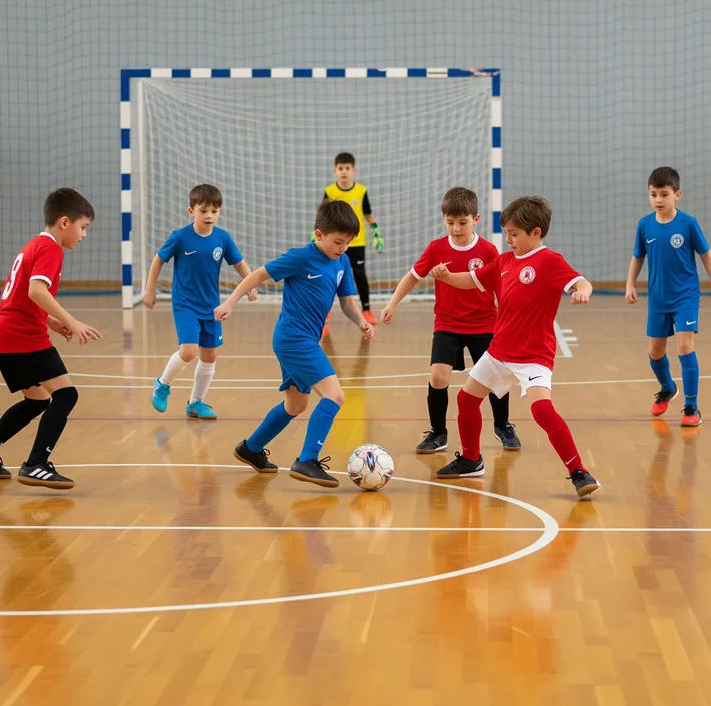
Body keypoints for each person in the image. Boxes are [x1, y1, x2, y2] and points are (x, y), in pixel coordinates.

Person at [429, 195, 600, 498]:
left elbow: (581, 282)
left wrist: (582, 292)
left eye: (514, 234)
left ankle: (578, 471)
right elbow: (472, 279)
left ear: (535, 232)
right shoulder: (504, 262)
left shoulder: (550, 261)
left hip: (533, 355)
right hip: (499, 352)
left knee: (542, 409)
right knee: (466, 400)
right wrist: (446, 277)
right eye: (506, 233)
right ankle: (471, 460)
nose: (507, 239)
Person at [215, 200, 375, 488]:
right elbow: (258, 275)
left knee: (296, 404)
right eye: (338, 242)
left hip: (304, 340)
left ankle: (250, 448)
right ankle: (307, 460)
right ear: (319, 235)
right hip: (293, 339)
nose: (342, 248)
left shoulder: (342, 262)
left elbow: (347, 302)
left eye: (348, 243)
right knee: (335, 395)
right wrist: (230, 301)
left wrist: (361, 321)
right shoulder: (300, 258)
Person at [0, 188, 101, 489]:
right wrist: (71, 321)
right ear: (64, 222)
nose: (84, 235)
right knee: (66, 395)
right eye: (83, 227)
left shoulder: (33, 245)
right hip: (21, 335)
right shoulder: (51, 248)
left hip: (7, 333)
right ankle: (36, 464)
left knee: (37, 400)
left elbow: (21, 296)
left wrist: (51, 321)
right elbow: (36, 291)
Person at [381, 187, 520, 454]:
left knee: (495, 378)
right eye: (450, 222)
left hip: (484, 323)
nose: (456, 228)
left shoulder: (488, 250)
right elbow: (412, 276)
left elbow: (501, 288)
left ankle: (503, 425)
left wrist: (508, 321)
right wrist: (392, 303)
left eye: (462, 222)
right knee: (438, 376)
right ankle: (438, 433)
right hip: (447, 323)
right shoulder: (436, 249)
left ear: (476, 219)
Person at [145, 184, 257, 419]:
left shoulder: (222, 238)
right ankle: (162, 383)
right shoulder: (180, 237)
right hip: (185, 304)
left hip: (211, 306)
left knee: (210, 355)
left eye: (214, 211)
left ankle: (195, 402)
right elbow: (158, 260)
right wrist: (149, 290)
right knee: (188, 351)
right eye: (203, 210)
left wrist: (250, 284)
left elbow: (239, 263)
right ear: (191, 211)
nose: (209, 216)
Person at [625, 166, 711, 426]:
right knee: (655, 353)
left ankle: (691, 407)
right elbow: (637, 257)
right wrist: (630, 284)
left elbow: (706, 256)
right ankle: (668, 387)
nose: (658, 200)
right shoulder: (645, 225)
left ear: (677, 195)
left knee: (684, 346)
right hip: (658, 299)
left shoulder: (688, 224)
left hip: (685, 297)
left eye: (664, 194)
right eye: (653, 194)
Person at [316, 152, 384, 336]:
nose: (344, 171)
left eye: (347, 168)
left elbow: (368, 214)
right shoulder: (330, 191)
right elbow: (323, 214)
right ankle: (325, 311)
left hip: (356, 242)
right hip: (333, 243)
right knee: (329, 276)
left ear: (353, 170)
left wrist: (377, 232)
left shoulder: (360, 191)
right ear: (335, 171)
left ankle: (367, 309)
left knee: (359, 274)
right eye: (340, 168)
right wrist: (317, 234)